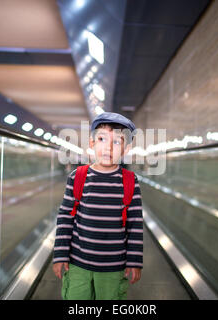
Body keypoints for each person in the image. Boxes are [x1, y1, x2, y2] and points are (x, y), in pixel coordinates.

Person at [52, 112, 143, 300]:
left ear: (125, 149)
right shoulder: (77, 177)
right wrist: (60, 254)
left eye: (117, 142)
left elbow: (135, 224)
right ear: (92, 144)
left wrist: (134, 261)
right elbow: (65, 218)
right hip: (78, 263)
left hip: (114, 266)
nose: (108, 147)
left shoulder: (130, 181)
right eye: (102, 139)